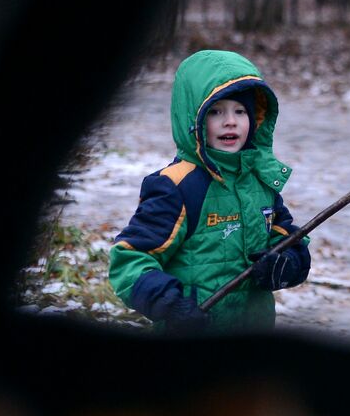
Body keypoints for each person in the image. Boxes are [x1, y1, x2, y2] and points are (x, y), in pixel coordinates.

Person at [109, 49, 310, 331]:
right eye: (216, 111)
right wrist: (171, 304)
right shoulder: (177, 186)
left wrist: (287, 264)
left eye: (240, 111)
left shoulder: (257, 180)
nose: (230, 121)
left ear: (256, 118)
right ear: (194, 120)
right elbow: (129, 260)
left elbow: (287, 237)